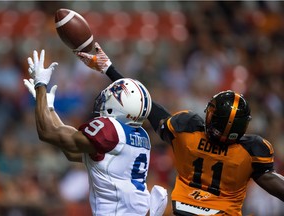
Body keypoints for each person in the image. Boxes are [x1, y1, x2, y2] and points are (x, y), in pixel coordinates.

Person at [75, 42, 284, 216]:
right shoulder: (251, 151)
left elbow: (149, 108)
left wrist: (109, 69)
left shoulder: (187, 131)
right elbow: (274, 183)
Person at [23, 50, 167, 216]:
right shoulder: (140, 135)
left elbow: (47, 133)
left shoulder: (111, 131)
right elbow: (71, 150)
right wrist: (48, 107)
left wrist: (40, 84)